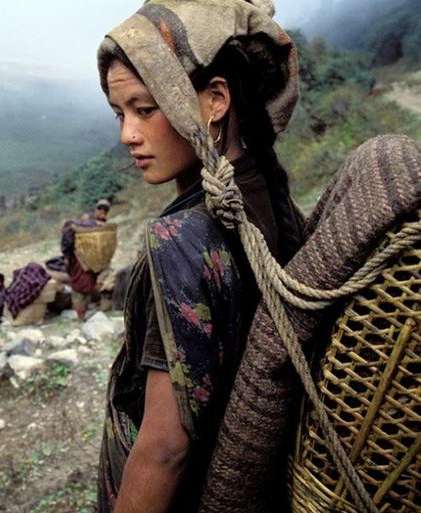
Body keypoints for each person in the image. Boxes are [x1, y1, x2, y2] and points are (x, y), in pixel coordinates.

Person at [95, 2, 305, 512]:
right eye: (120, 114)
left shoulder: (182, 240)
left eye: (145, 109)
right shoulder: (270, 196)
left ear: (214, 100)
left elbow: (166, 449)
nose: (127, 134)